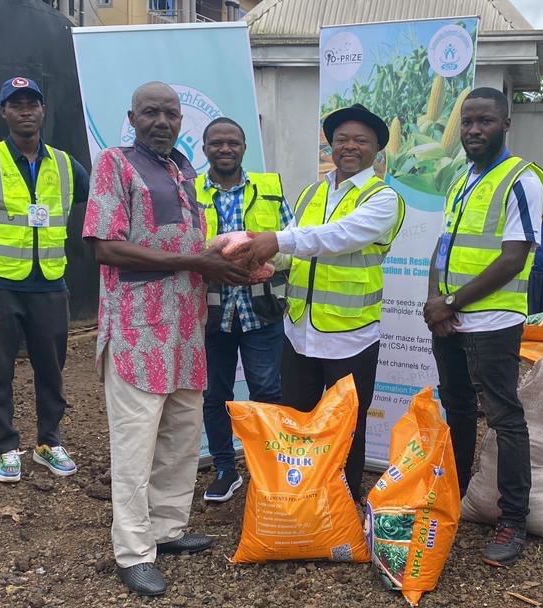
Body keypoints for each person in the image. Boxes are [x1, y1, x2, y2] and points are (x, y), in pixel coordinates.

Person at [84, 82, 251, 597]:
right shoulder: (115, 163)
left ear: (183, 121)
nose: (162, 120)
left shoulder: (182, 170)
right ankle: (133, 552)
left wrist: (223, 261)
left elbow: (179, 243)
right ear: (132, 116)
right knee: (134, 446)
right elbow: (107, 248)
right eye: (151, 112)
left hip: (184, 328)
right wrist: (196, 261)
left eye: (171, 113)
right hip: (137, 331)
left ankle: (167, 529)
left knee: (180, 437)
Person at [244, 103, 405, 500]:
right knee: (296, 420)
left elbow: (339, 236)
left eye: (360, 141)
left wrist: (277, 240)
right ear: (331, 146)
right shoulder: (313, 191)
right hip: (299, 330)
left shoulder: (383, 198)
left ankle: (343, 503)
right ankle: (300, 499)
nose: (349, 147)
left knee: (346, 425)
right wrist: (259, 255)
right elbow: (295, 248)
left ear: (377, 150)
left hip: (350, 336)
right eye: (341, 140)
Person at [422, 87, 543, 567]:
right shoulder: (462, 177)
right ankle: (450, 501)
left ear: (506, 124)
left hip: (493, 322)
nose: (474, 130)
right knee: (455, 408)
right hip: (450, 320)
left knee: (504, 418)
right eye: (468, 122)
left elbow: (514, 258)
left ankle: (513, 519)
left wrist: (451, 301)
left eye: (485, 122)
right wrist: (436, 302)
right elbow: (444, 246)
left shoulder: (522, 179)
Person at [0, 77, 89, 483]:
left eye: (32, 103)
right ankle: (5, 448)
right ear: (3, 112)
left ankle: (48, 442)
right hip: (1, 283)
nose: (25, 111)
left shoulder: (67, 165)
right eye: (15, 104)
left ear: (43, 110)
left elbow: (99, 210)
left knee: (51, 368)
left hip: (51, 283)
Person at [195, 117, 291, 503]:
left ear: (244, 147)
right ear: (204, 148)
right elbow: (183, 250)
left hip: (261, 309)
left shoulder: (269, 189)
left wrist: (261, 264)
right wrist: (211, 256)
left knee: (266, 391)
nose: (224, 149)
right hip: (211, 313)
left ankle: (268, 470)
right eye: (216, 143)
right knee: (215, 395)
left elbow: (290, 245)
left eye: (232, 142)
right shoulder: (189, 193)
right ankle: (224, 470)